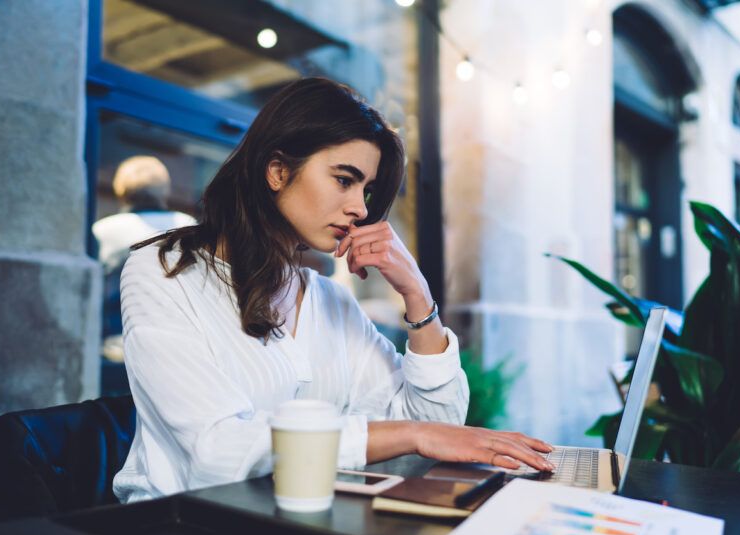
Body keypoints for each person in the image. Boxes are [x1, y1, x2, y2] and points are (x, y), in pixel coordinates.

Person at [112, 78, 555, 503]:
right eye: (345, 179)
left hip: (302, 527)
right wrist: (410, 435)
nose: (360, 208)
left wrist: (418, 295)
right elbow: (217, 452)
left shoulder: (330, 300)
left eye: (367, 190)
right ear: (278, 171)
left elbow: (436, 423)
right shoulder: (160, 273)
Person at [93, 156, 196, 370]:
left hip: (117, 353)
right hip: (178, 354)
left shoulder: (103, 231)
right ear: (165, 191)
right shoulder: (188, 228)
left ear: (120, 190)